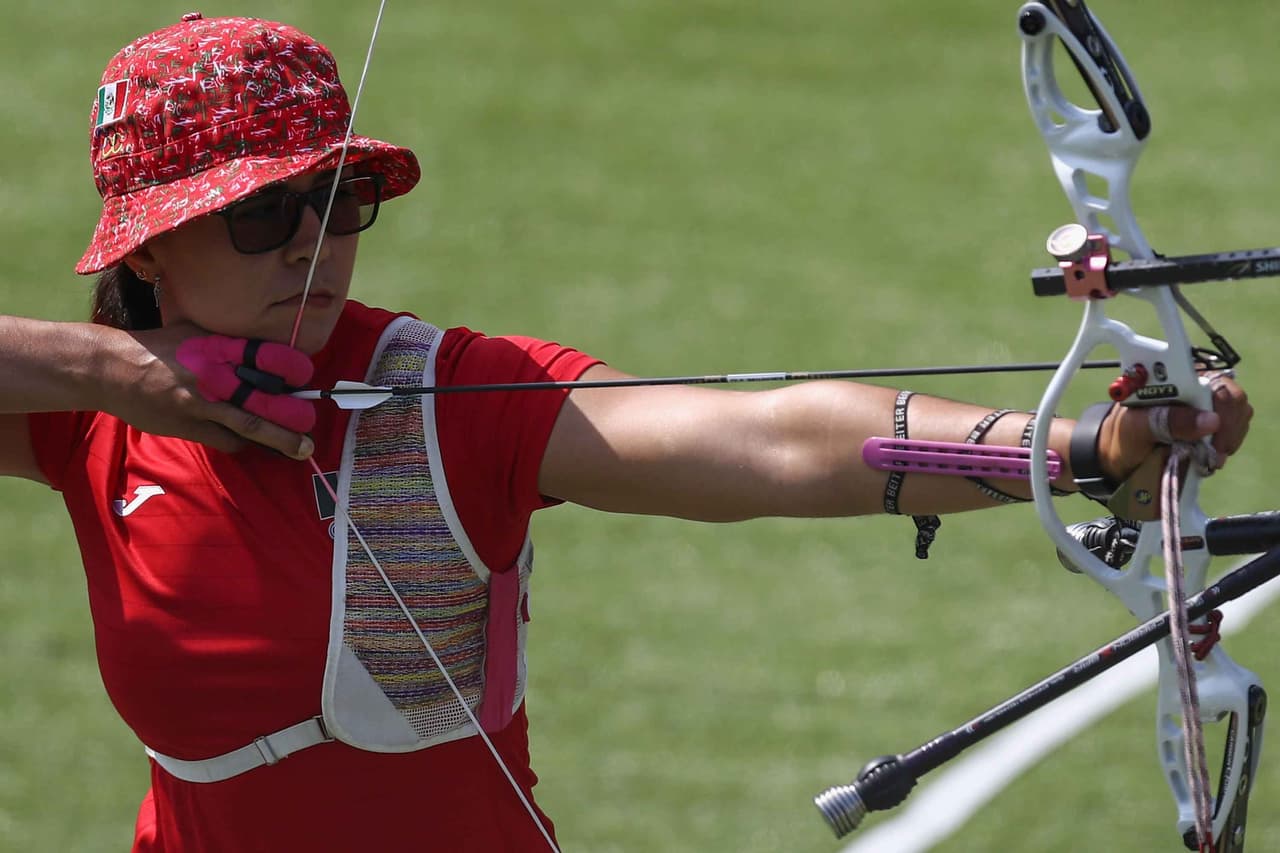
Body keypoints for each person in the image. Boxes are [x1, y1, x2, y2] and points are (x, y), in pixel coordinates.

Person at [0, 14, 1252, 853]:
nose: (319, 244)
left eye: (343, 200)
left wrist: (1079, 447)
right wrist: (95, 366)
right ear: (151, 246)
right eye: (267, 215)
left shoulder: (440, 396)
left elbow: (764, 441)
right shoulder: (83, 420)